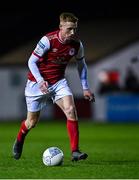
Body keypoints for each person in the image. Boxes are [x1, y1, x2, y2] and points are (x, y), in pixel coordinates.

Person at [13, 12, 95, 162]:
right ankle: (20, 138)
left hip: (58, 82)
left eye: (75, 29)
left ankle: (75, 151)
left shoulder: (77, 45)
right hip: (36, 84)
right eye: (69, 29)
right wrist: (40, 80)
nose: (72, 32)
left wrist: (85, 87)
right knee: (31, 123)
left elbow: (81, 65)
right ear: (60, 26)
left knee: (71, 110)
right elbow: (31, 61)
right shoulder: (48, 40)